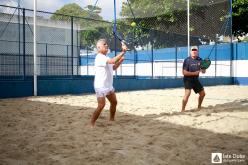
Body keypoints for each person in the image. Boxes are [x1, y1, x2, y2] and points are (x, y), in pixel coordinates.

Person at [90, 39, 128, 126]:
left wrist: (120, 61)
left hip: (108, 86)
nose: (107, 45)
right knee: (101, 105)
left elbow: (113, 67)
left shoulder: (106, 58)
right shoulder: (99, 57)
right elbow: (112, 61)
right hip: (100, 86)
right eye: (104, 44)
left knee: (114, 102)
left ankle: (111, 119)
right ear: (99, 48)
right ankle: (92, 123)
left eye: (107, 44)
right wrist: (123, 52)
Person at [181, 46, 206, 112]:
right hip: (188, 79)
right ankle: (183, 109)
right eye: (193, 50)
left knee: (203, 94)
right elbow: (184, 72)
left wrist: (204, 68)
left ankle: (199, 106)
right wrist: (195, 73)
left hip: (195, 80)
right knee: (188, 93)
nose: (194, 51)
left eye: (195, 50)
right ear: (190, 52)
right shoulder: (187, 60)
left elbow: (203, 72)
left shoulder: (200, 60)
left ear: (197, 52)